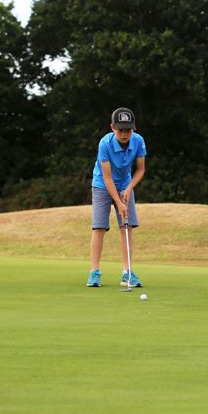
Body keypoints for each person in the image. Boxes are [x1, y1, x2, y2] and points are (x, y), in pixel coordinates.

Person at [86, 107, 147, 288]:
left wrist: (128, 189)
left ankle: (127, 273)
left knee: (126, 227)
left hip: (125, 184)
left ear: (133, 129)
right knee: (99, 227)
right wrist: (119, 202)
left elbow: (141, 169)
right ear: (112, 127)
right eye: (120, 129)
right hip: (102, 185)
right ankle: (94, 272)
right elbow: (107, 177)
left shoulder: (138, 141)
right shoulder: (104, 143)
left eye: (127, 130)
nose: (124, 134)